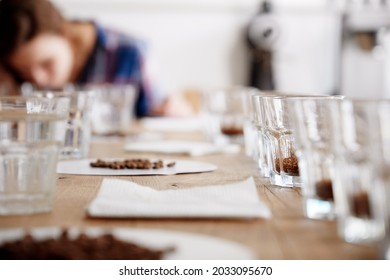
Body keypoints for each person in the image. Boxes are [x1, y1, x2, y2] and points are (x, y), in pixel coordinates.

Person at [0, 0, 193, 117]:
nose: (39, 79)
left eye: (46, 63)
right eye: (24, 70)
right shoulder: (10, 73)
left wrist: (174, 111)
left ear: (67, 34)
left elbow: (159, 113)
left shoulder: (130, 53)